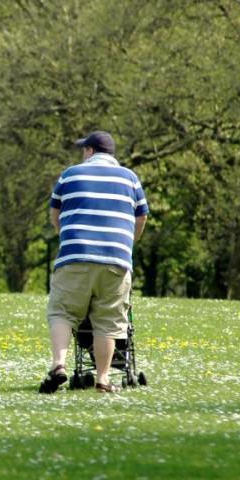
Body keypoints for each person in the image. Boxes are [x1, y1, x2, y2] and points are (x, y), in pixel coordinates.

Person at [40, 131, 149, 394]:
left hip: (75, 254)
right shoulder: (130, 178)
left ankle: (59, 366)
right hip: (116, 259)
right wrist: (127, 245)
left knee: (62, 312)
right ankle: (102, 378)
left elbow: (55, 213)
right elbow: (141, 217)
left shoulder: (70, 174)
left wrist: (64, 235)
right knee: (108, 321)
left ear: (90, 151)